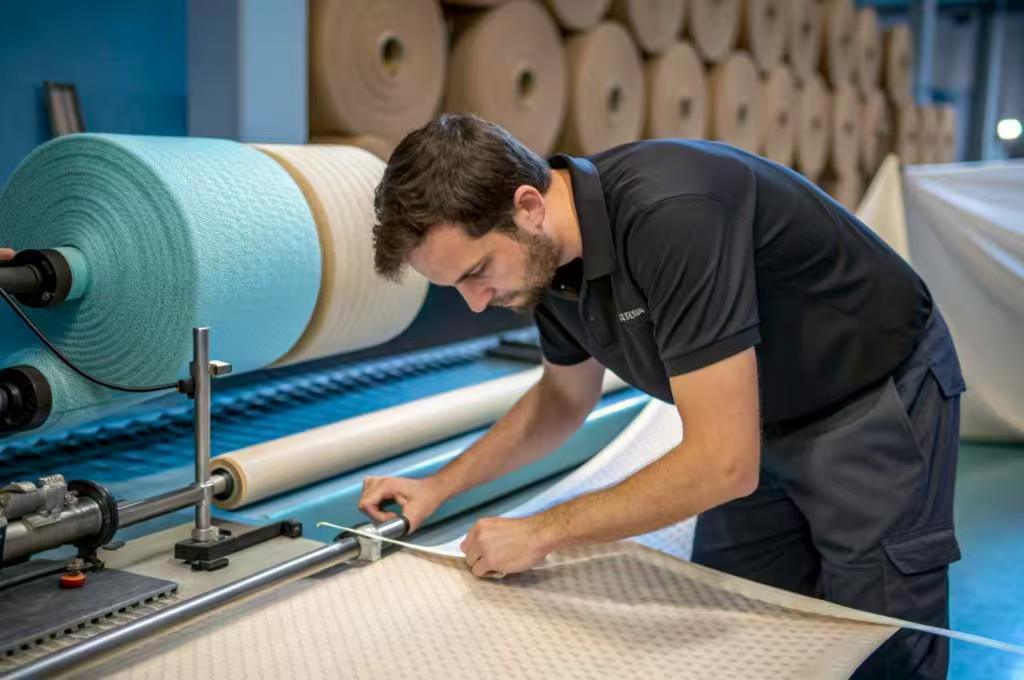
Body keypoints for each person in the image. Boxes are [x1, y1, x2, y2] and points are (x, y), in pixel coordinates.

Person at [360, 113, 963, 679]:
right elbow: (562, 400)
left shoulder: (672, 214)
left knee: (876, 637)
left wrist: (540, 531)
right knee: (734, 621)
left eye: (476, 272)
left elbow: (723, 464)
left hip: (868, 395)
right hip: (763, 415)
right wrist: (439, 487)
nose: (476, 300)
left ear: (528, 205)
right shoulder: (546, 263)